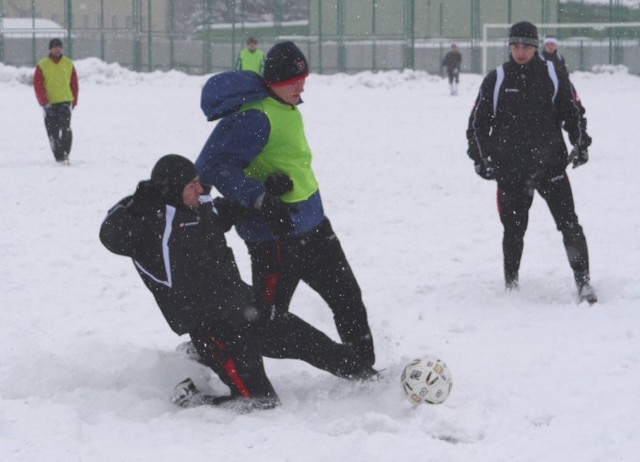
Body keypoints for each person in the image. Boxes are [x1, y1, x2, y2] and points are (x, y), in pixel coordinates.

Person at [99, 154, 376, 410]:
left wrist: (267, 196)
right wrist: (135, 207)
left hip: (248, 309)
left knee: (324, 350)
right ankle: (194, 397)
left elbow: (233, 210)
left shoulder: (204, 209)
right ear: (171, 190)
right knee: (260, 402)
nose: (199, 190)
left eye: (198, 183)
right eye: (191, 186)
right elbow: (109, 235)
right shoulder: (149, 229)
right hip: (214, 330)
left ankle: (379, 383)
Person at [195, 41, 376, 368]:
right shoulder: (256, 116)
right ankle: (213, 350)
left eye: (304, 78)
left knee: (347, 298)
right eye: (293, 81)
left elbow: (267, 161)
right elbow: (217, 166)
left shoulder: (284, 107)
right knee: (267, 322)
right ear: (273, 80)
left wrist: (267, 179)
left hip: (314, 227)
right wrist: (259, 197)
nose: (301, 86)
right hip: (275, 238)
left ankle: (365, 370)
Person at [466, 21, 597, 304]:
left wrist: (580, 141)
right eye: (516, 46)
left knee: (569, 224)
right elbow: (477, 123)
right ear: (510, 47)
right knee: (514, 231)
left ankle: (584, 282)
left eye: (526, 46)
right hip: (511, 171)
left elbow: (572, 112)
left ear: (535, 47)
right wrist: (480, 158)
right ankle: (511, 283)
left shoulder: (553, 73)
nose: (521, 52)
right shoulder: (497, 78)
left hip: (550, 166)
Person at [33, 38, 79, 165]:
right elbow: (38, 84)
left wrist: (74, 100)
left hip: (65, 101)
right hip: (49, 104)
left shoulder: (68, 63)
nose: (57, 49)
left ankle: (65, 153)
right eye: (54, 47)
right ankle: (58, 156)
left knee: (66, 129)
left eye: (59, 47)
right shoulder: (42, 65)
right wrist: (43, 101)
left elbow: (74, 84)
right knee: (53, 132)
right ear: (50, 49)